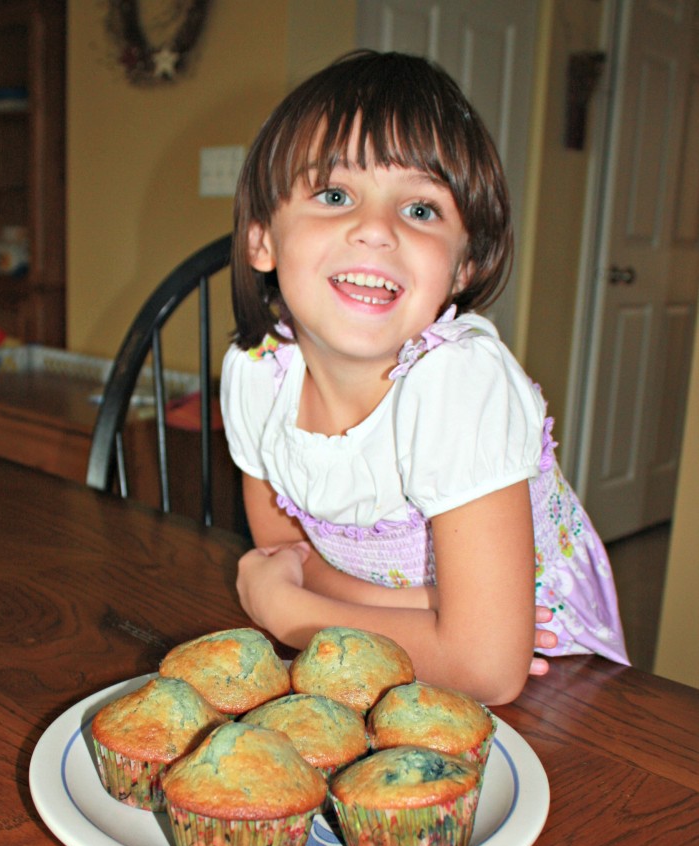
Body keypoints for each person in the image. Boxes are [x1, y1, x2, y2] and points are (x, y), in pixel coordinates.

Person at [220, 50, 628, 704]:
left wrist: (286, 615)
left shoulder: (459, 384)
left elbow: (487, 667)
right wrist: (420, 610)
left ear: (463, 267)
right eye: (333, 194)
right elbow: (281, 551)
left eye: (420, 210)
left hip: (552, 695)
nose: (374, 230)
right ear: (262, 239)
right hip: (385, 664)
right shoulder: (255, 376)